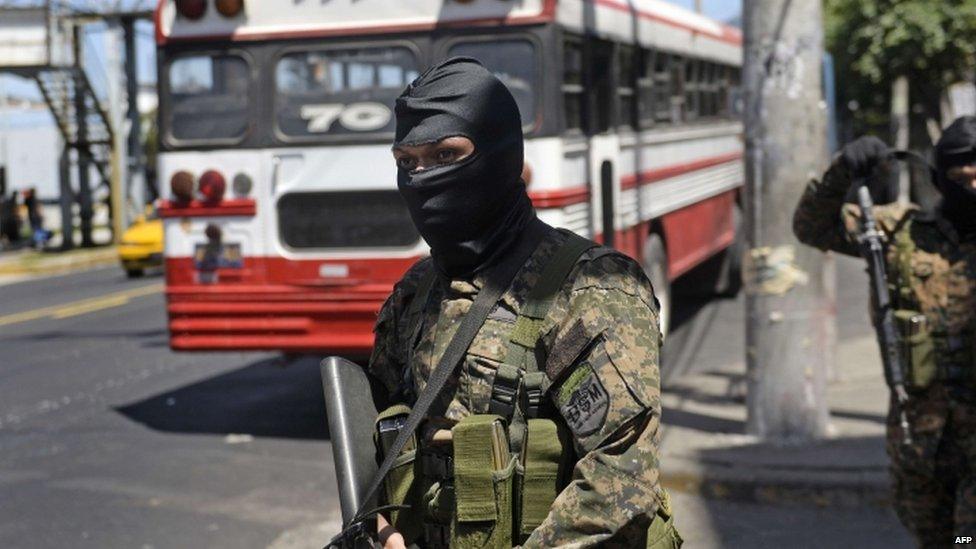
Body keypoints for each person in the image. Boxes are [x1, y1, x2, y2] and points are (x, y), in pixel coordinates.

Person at [363, 57, 679, 548]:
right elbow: (380, 426)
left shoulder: (589, 290)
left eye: (446, 155)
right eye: (407, 161)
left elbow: (619, 484)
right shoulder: (415, 291)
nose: (422, 177)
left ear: (499, 154)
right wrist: (382, 527)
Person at [793, 119, 976, 548]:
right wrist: (842, 170)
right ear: (937, 178)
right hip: (919, 447)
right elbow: (812, 227)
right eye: (959, 173)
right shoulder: (897, 233)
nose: (970, 182)